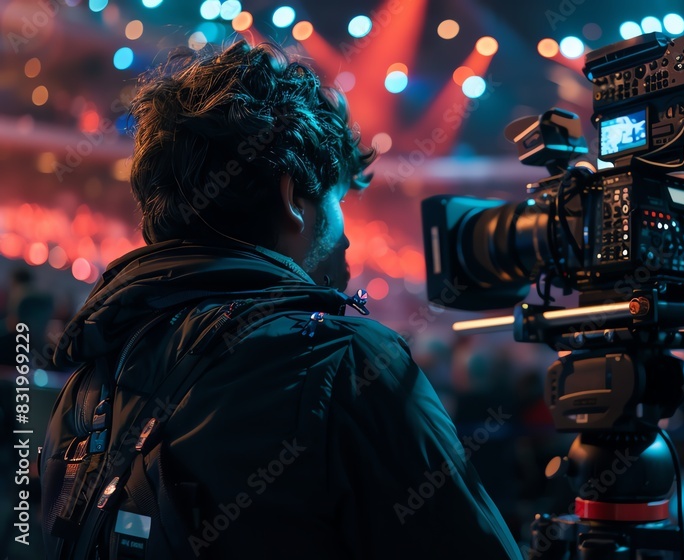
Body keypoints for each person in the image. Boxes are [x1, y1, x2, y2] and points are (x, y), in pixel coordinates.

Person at [40, 40, 521, 559]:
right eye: (336, 201)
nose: (346, 239)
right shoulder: (343, 363)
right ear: (293, 199)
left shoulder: (90, 376)